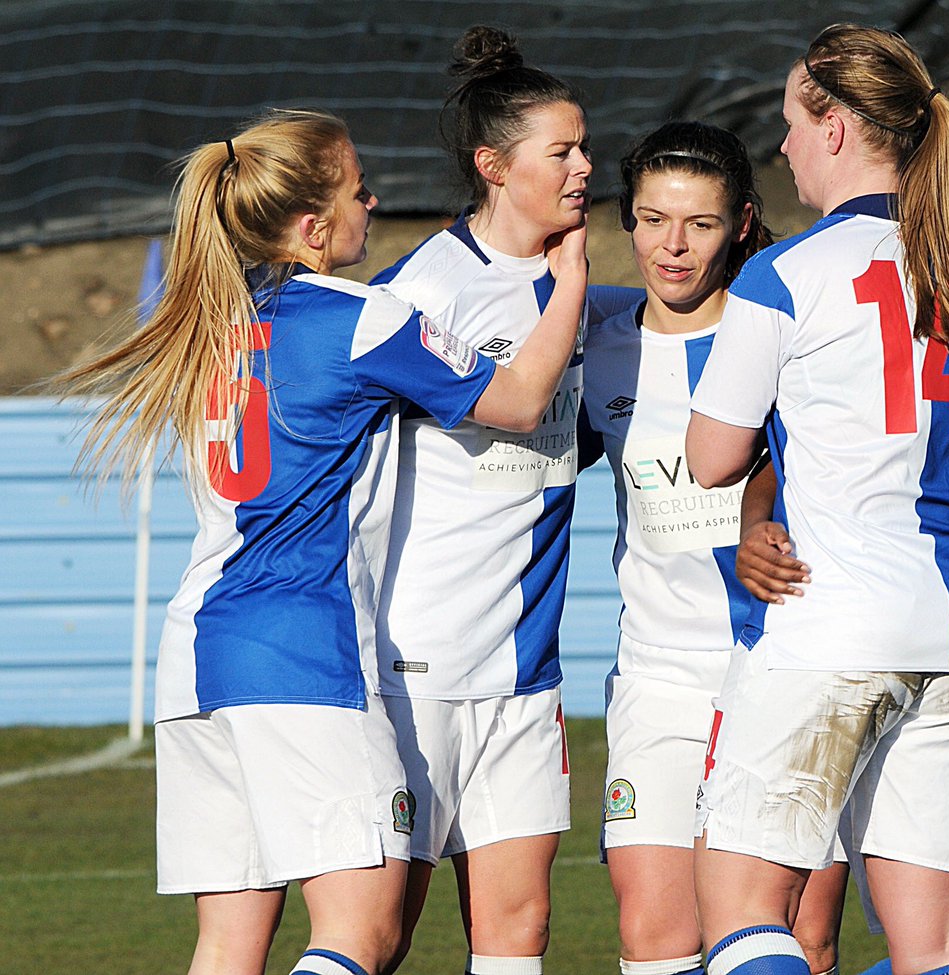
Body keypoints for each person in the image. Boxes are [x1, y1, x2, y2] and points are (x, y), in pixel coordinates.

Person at [61, 108, 586, 975]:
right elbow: (524, 400)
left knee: (228, 944)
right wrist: (568, 279)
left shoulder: (213, 327)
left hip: (195, 653)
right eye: (356, 190)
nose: (373, 202)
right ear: (312, 227)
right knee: (361, 933)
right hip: (301, 654)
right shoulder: (363, 318)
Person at [685, 23, 949, 975]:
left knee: (742, 915)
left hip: (826, 623)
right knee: (939, 942)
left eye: (789, 123)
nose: (780, 147)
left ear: (837, 128)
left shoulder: (785, 274)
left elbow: (711, 457)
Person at [367, 26, 604, 975]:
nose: (587, 166)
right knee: (376, 933)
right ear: (492, 166)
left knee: (518, 934)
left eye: (585, 145)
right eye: (562, 151)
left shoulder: (592, 289)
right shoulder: (423, 291)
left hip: (525, 670)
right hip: (416, 663)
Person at [579, 120, 786, 975]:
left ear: (739, 223)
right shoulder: (593, 342)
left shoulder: (779, 326)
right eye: (653, 218)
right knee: (654, 939)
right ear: (626, 219)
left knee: (795, 940)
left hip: (779, 670)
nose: (672, 245)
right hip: (656, 678)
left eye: (699, 224)